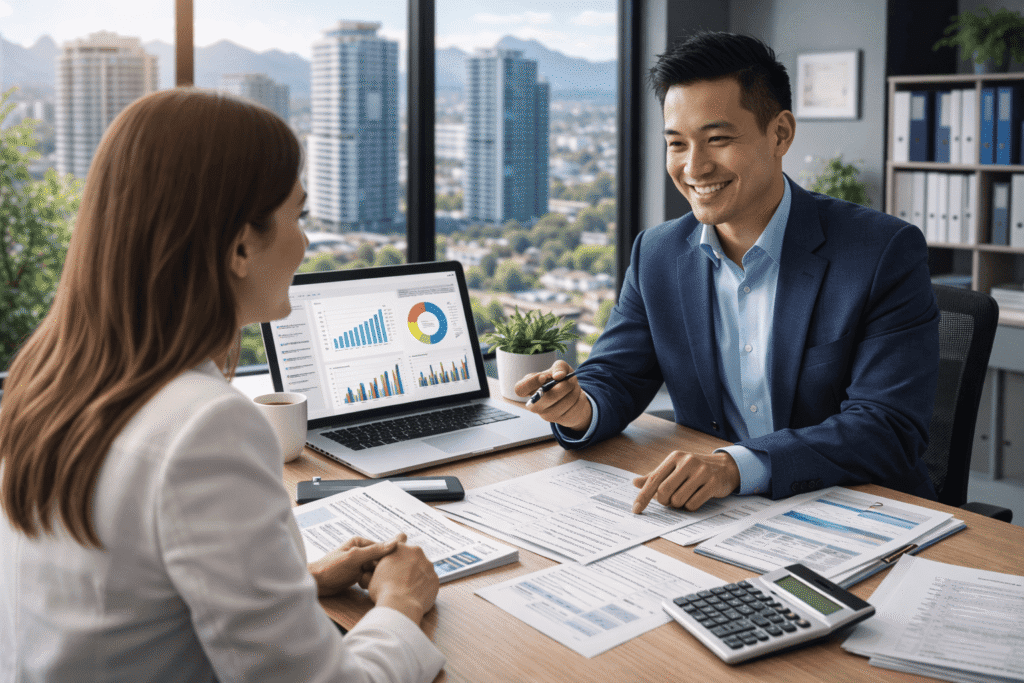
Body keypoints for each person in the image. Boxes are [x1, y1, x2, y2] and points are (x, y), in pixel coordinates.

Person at [0, 89, 444, 682]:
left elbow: (120, 598)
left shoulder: (48, 380)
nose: (305, 242)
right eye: (298, 217)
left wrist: (297, 584)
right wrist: (401, 604)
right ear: (240, 245)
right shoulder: (205, 426)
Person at [517, 32, 939, 514]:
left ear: (780, 134)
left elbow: (886, 426)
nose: (694, 167)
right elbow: (614, 373)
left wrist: (736, 466)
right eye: (677, 144)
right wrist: (578, 407)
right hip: (720, 517)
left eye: (717, 139)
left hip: (859, 509)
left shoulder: (882, 251)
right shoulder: (657, 253)